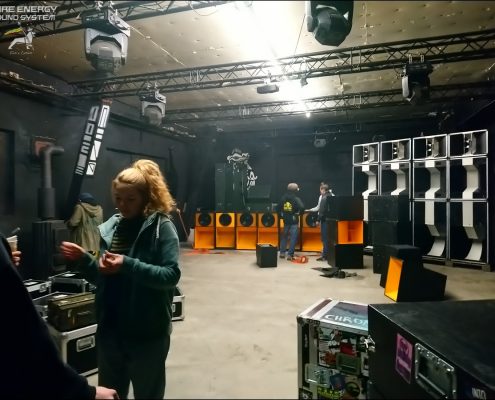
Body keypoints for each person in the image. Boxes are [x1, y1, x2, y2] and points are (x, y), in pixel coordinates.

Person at [60, 159, 181, 400]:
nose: (122, 205)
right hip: (111, 332)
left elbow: (170, 275)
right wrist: (85, 260)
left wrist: (127, 264)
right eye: (118, 198)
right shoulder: (113, 228)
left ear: (146, 197)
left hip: (147, 335)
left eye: (130, 199)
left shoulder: (161, 228)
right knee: (110, 395)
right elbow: (104, 277)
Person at [0, 233, 117, 399]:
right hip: (110, 334)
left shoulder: (155, 230)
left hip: (144, 335)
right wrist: (82, 391)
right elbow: (25, 329)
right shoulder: (109, 230)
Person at [278, 182, 304, 261]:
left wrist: (281, 216)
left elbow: (278, 208)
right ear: (295, 190)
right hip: (294, 220)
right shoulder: (296, 199)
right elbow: (302, 207)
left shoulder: (283, 198)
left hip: (286, 220)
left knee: (284, 236)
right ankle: (290, 255)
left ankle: (282, 253)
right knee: (293, 237)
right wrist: (299, 214)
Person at [313, 183, 335, 261]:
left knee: (324, 238)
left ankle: (325, 256)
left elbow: (321, 211)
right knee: (330, 238)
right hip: (332, 221)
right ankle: (330, 255)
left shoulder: (324, 198)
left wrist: (318, 220)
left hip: (325, 221)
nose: (320, 191)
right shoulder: (332, 196)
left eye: (320, 190)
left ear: (323, 190)